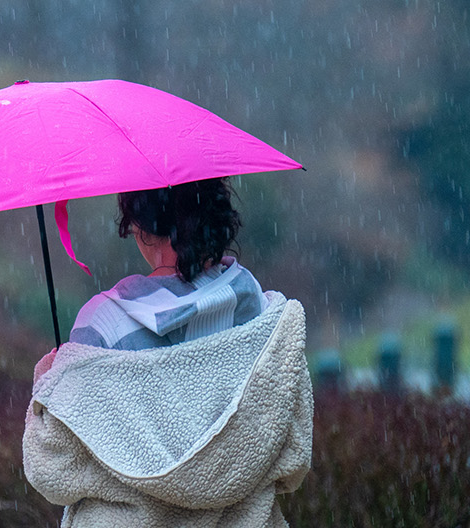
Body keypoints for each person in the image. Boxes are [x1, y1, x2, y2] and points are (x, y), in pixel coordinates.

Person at [22, 178, 312, 527]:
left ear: (139, 225)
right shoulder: (252, 306)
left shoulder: (102, 325)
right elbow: (293, 457)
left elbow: (53, 472)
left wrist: (52, 382)